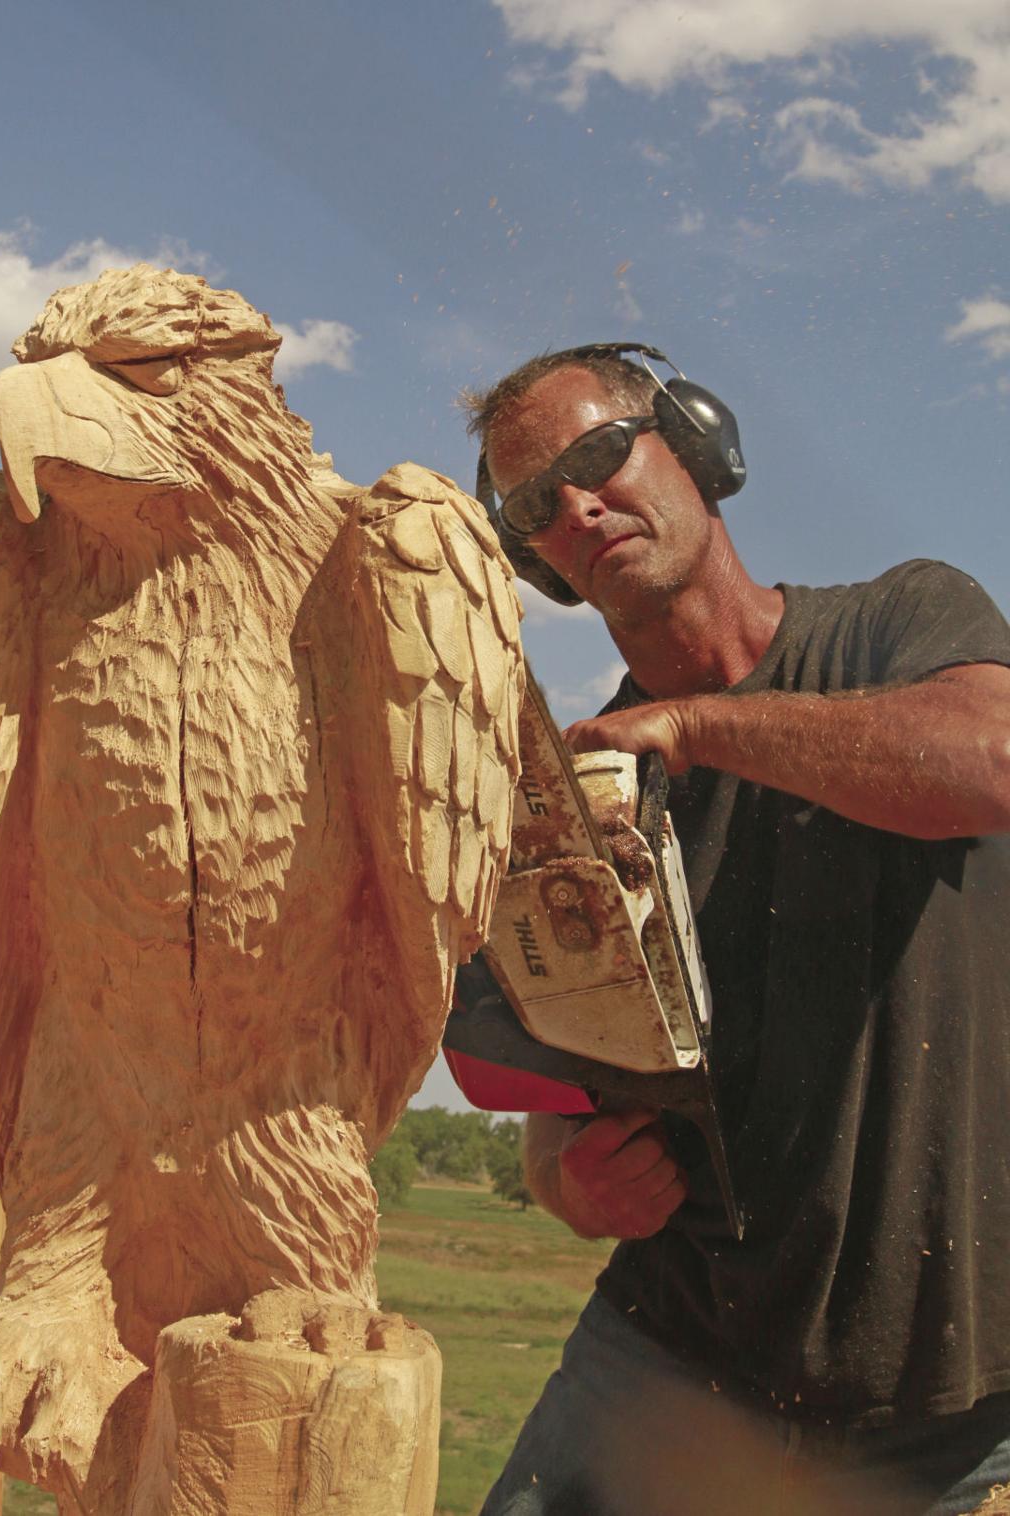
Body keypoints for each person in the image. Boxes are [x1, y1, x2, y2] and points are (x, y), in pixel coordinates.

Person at [464, 347, 1010, 1515]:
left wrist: (701, 729)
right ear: (538, 562)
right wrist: (568, 1177)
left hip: (943, 1406)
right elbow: (553, 1101)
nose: (578, 505)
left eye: (600, 454)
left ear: (696, 449)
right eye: (533, 507)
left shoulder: (900, 622)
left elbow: (987, 762)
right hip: (670, 1360)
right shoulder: (575, 801)